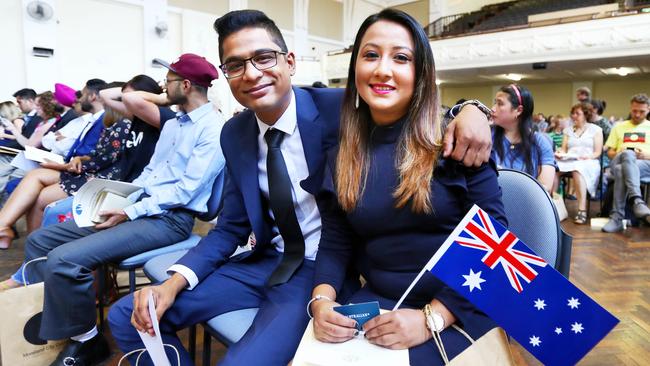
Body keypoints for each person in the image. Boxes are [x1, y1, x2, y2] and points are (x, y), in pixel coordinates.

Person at [108, 9, 494, 366]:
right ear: (225, 75)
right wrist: (173, 282)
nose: (253, 74)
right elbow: (230, 226)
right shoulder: (236, 133)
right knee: (129, 316)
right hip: (266, 260)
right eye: (236, 65)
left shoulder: (341, 110)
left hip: (321, 268)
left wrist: (472, 110)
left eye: (264, 58)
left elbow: (406, 103)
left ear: (289, 62)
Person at [310, 9, 504, 365]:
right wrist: (321, 301)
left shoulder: (458, 141)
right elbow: (337, 242)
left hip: (461, 307)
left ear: (422, 73)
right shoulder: (339, 154)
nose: (383, 69)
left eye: (401, 58)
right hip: (379, 308)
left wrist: (433, 318)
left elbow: (497, 248)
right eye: (371, 55)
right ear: (355, 70)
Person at [19, 53, 225, 366]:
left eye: (168, 81)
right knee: (40, 241)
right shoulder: (174, 124)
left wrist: (131, 211)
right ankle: (45, 318)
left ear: (185, 84)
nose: (162, 86)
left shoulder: (213, 129)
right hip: (140, 207)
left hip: (169, 219)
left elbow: (185, 191)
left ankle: (86, 342)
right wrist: (119, 197)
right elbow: (150, 174)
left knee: (64, 259)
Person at [491, 84, 555, 192]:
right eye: (495, 103)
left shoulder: (540, 142)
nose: (492, 109)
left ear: (519, 110)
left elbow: (545, 187)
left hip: (525, 203)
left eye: (500, 104)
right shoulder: (487, 135)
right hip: (490, 202)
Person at [602, 93, 650, 232]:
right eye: (634, 110)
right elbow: (610, 152)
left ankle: (616, 218)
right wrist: (622, 153)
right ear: (630, 108)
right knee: (627, 154)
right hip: (620, 158)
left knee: (620, 170)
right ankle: (637, 200)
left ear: (648, 109)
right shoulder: (619, 127)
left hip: (645, 163)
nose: (637, 114)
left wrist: (646, 155)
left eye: (641, 111)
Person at [555, 103, 603, 224]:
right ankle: (552, 205)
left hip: (589, 160)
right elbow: (564, 149)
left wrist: (587, 157)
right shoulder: (567, 130)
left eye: (578, 113)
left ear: (586, 114)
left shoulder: (596, 130)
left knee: (578, 168)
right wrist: (560, 151)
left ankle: (582, 209)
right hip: (570, 158)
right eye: (573, 113)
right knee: (553, 167)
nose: (574, 116)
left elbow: (597, 152)